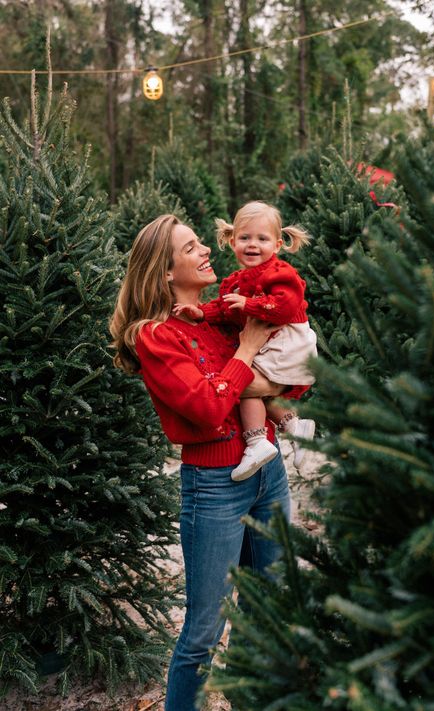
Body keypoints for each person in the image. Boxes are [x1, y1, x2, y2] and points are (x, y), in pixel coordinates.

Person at [109, 214, 292, 711]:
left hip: (267, 474)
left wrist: (264, 378)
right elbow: (209, 408)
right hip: (215, 487)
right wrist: (248, 351)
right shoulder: (156, 337)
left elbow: (282, 376)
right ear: (166, 272)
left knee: (267, 606)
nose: (209, 250)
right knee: (204, 634)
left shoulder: (219, 315)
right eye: (192, 248)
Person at [174, 201, 317, 482]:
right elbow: (227, 307)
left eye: (262, 239)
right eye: (245, 238)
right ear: (232, 241)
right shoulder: (238, 280)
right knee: (250, 383)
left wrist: (249, 304)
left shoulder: (280, 273)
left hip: (289, 341)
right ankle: (293, 426)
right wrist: (201, 312)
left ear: (277, 245)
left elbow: (286, 306)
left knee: (244, 384)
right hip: (273, 340)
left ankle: (256, 442)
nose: (253, 244)